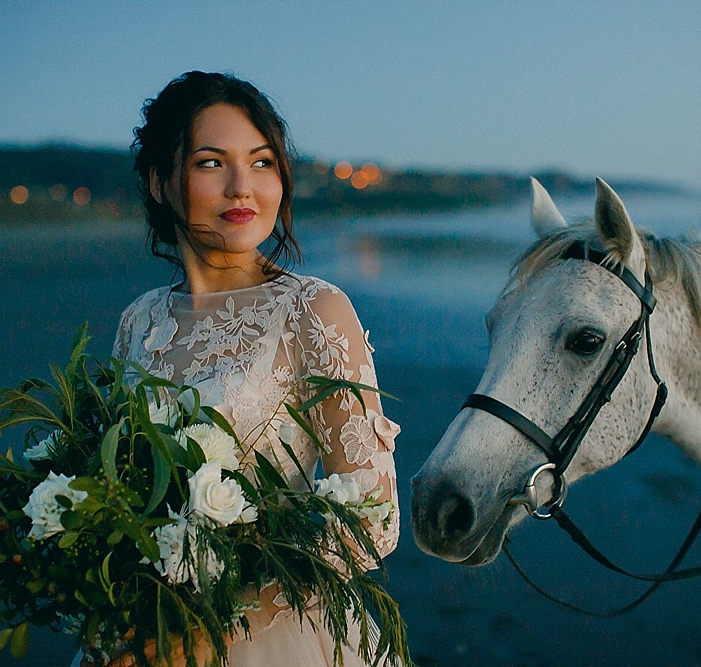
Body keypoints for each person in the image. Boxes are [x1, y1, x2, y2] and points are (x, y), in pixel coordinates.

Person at [82, 71, 400, 666]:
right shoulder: (139, 321)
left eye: (261, 163)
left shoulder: (314, 311)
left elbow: (370, 518)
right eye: (210, 163)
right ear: (159, 181)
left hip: (277, 638)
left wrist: (207, 632)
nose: (241, 188)